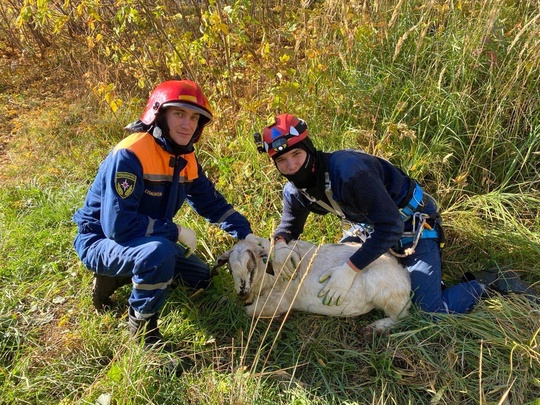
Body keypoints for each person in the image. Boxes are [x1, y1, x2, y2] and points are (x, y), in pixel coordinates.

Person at [254, 113, 534, 315]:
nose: (292, 166)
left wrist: (350, 269)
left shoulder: (348, 172)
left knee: (429, 310)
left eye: (297, 156)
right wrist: (280, 244)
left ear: (309, 150)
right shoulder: (296, 190)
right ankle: (419, 277)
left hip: (411, 227)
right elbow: (289, 226)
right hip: (369, 230)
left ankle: (487, 282)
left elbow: (389, 227)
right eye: (282, 161)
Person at [73, 79, 263, 349]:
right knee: (158, 255)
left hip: (145, 240)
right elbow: (119, 226)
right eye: (179, 114)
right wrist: (175, 231)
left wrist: (246, 233)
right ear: (158, 114)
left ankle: (119, 276)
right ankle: (143, 334)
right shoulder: (131, 154)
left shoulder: (185, 158)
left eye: (195, 117)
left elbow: (211, 203)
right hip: (101, 240)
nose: (187, 124)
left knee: (201, 278)